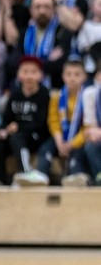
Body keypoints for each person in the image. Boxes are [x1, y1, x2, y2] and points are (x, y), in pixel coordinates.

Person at [0, 56, 51, 186]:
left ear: (41, 75)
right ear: (18, 75)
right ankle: (1, 181)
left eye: (33, 72)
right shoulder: (15, 94)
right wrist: (3, 131)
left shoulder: (44, 95)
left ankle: (26, 172)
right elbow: (6, 120)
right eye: (25, 71)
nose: (29, 76)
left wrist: (18, 127)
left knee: (16, 138)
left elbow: (41, 124)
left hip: (36, 136)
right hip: (16, 134)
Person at [36, 58, 95, 186]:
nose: (72, 78)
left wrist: (71, 144)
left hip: (80, 139)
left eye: (77, 74)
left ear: (84, 77)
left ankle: (77, 180)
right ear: (63, 76)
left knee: (77, 157)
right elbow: (53, 121)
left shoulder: (88, 96)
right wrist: (59, 142)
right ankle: (40, 178)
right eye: (68, 74)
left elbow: (88, 126)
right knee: (44, 150)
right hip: (61, 137)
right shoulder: (57, 96)